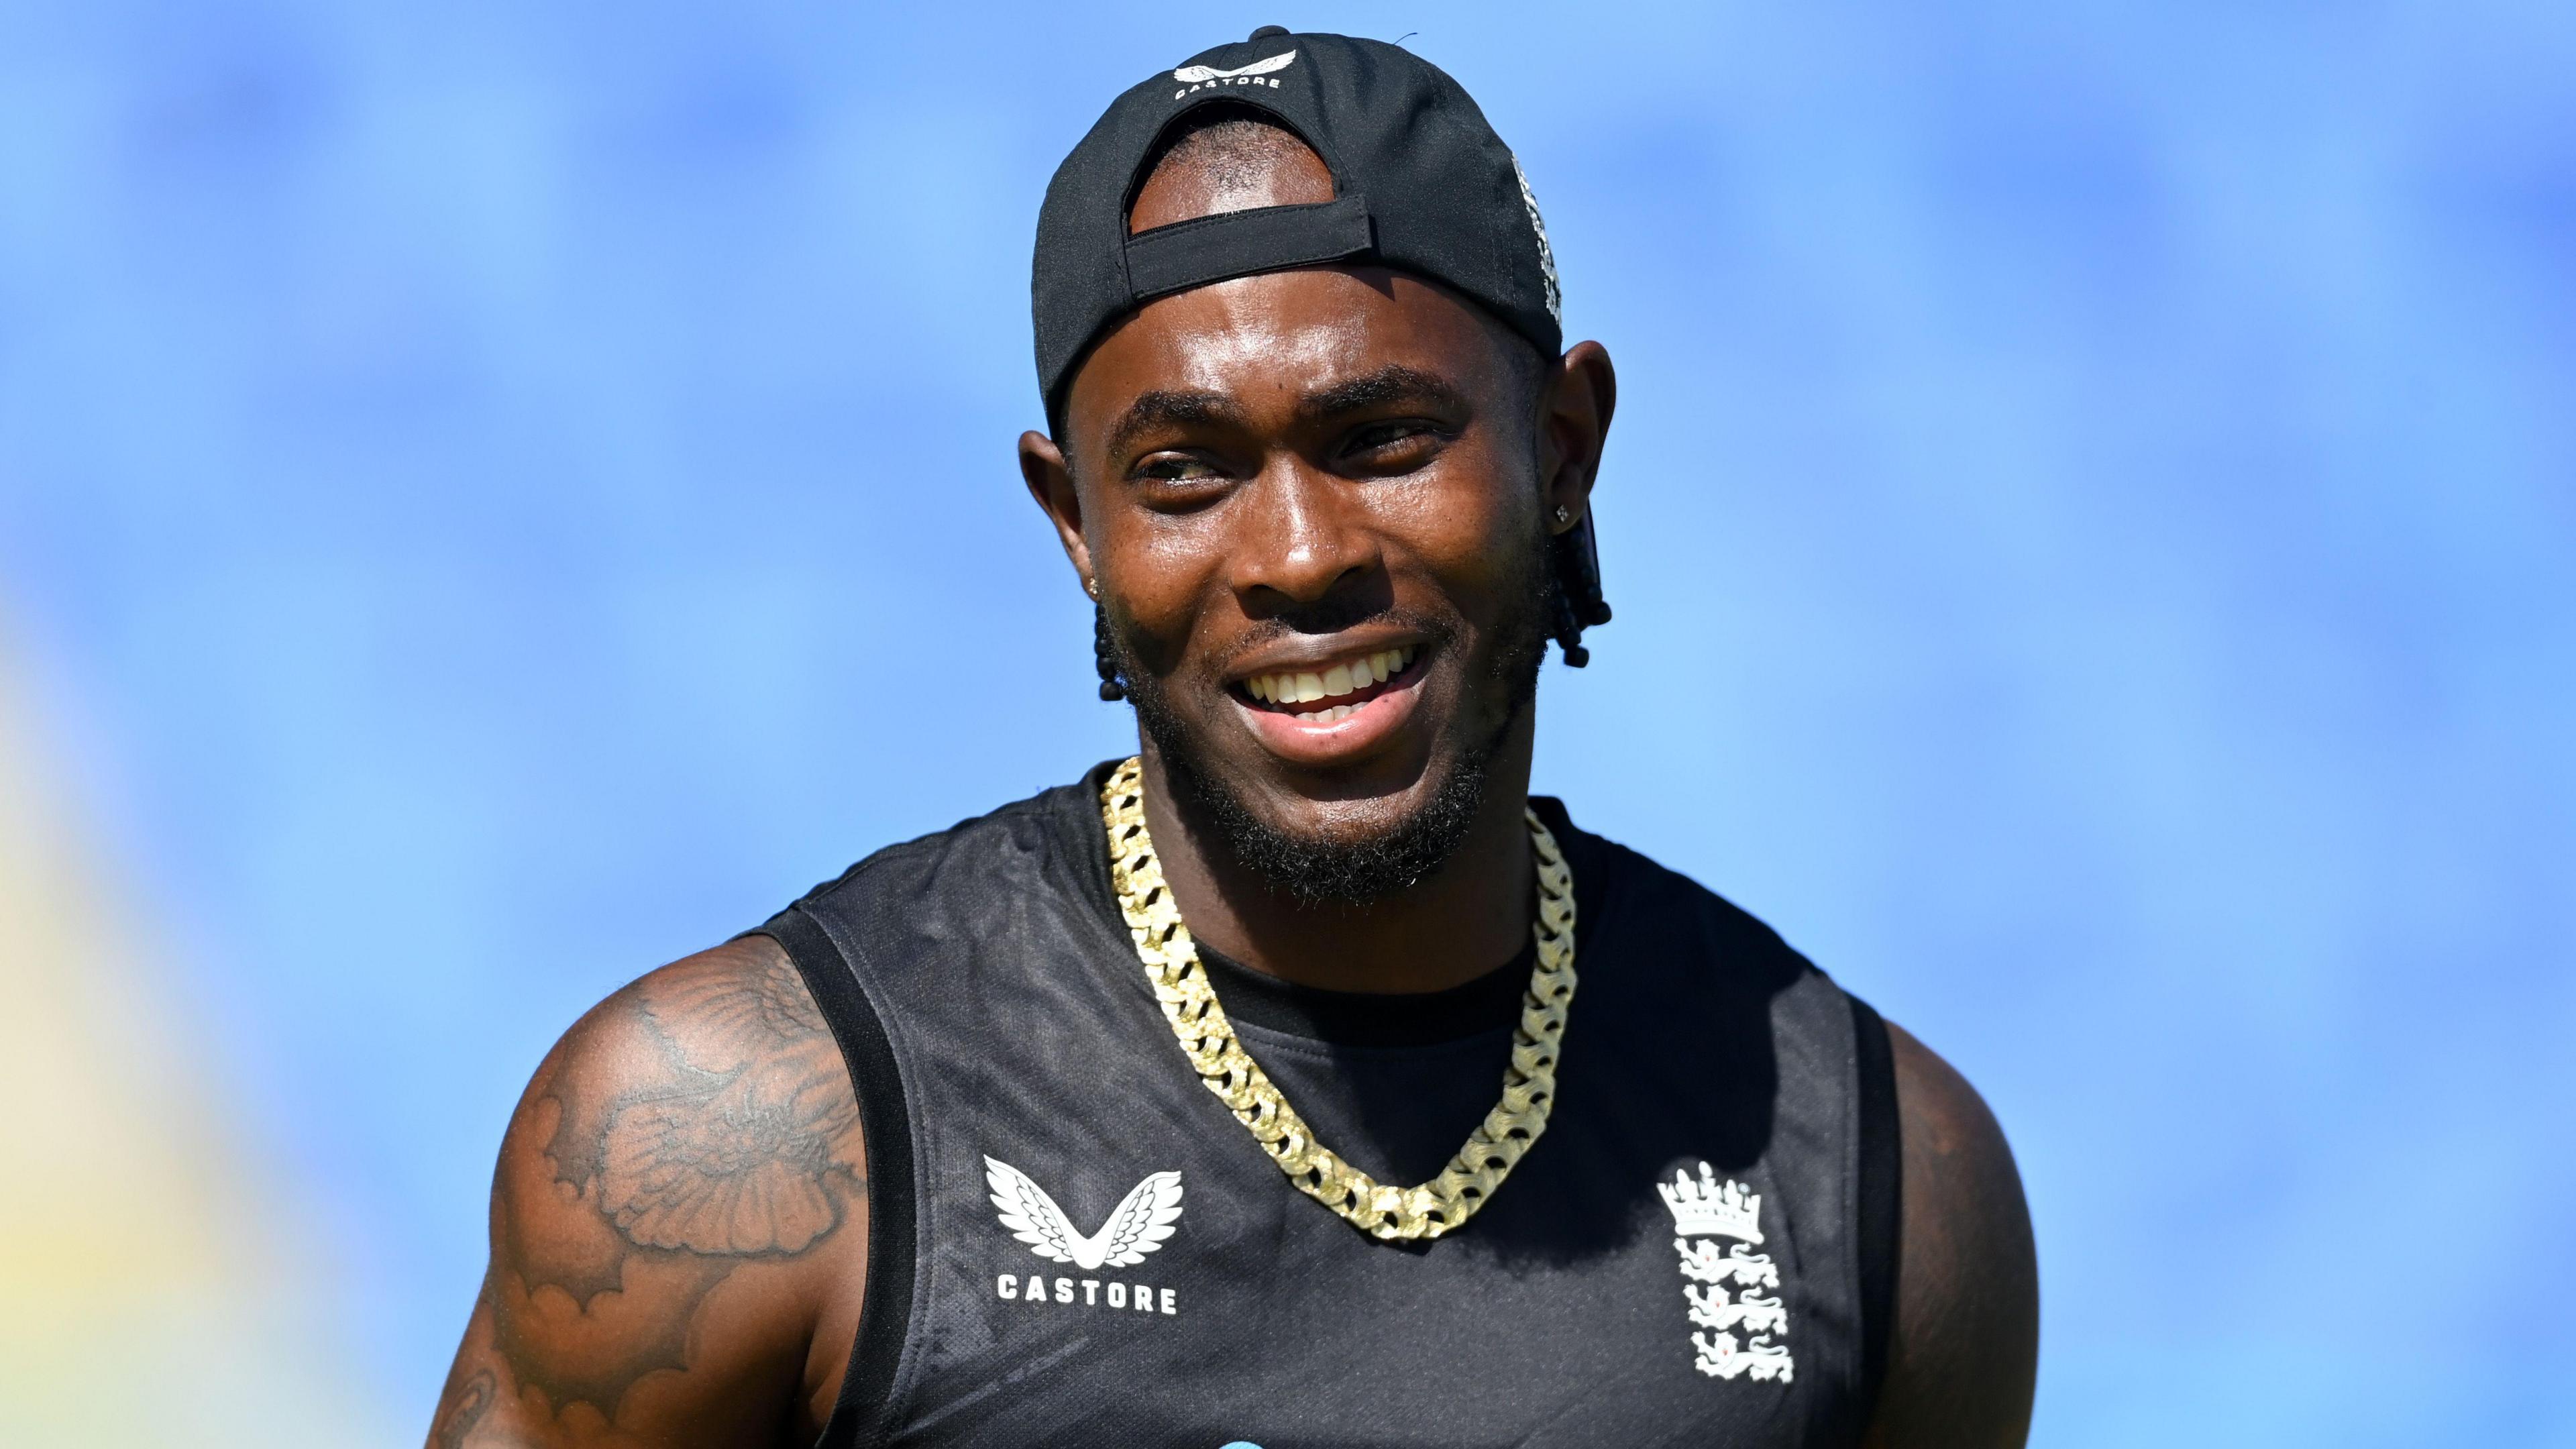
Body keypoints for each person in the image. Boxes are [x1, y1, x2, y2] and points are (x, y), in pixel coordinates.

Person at [429, 27, 2038, 1449]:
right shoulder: (738, 1141)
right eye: (1186, 472)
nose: (1296, 555)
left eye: (1383, 439)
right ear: (1075, 525)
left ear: (1562, 450)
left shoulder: (1877, 1186)